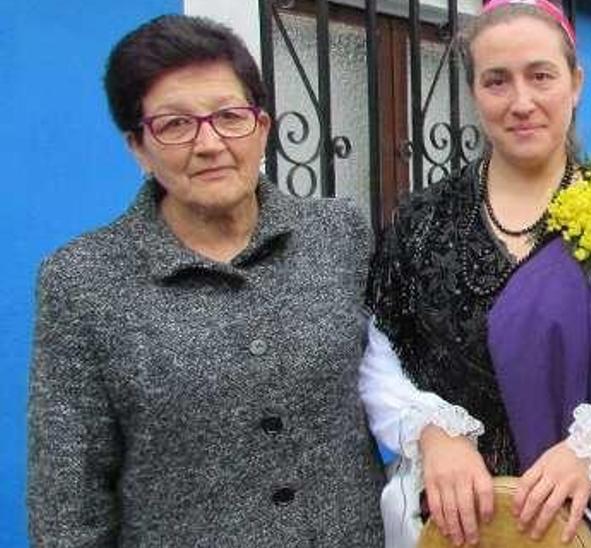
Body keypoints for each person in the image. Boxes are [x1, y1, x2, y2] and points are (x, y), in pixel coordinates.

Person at [359, 1, 591, 547]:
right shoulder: (422, 221)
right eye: (496, 81)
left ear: (575, 82)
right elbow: (383, 362)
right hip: (471, 527)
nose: (521, 102)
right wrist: (432, 433)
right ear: (474, 93)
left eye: (541, 75)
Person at [26, 15, 383, 545]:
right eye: (175, 125)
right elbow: (68, 494)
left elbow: (397, 374)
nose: (210, 143)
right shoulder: (82, 280)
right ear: (138, 147)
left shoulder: (339, 234)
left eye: (229, 116)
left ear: (261, 126)